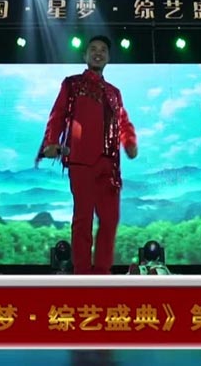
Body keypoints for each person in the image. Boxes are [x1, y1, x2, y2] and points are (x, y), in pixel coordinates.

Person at [37, 35, 138, 275]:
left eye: (103, 50)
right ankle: (82, 272)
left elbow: (123, 121)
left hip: (109, 164)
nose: (98, 53)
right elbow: (58, 114)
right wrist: (51, 142)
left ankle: (102, 272)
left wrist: (129, 141)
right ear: (85, 55)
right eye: (93, 49)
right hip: (81, 160)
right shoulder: (72, 84)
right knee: (83, 218)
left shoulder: (114, 92)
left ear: (108, 57)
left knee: (110, 219)